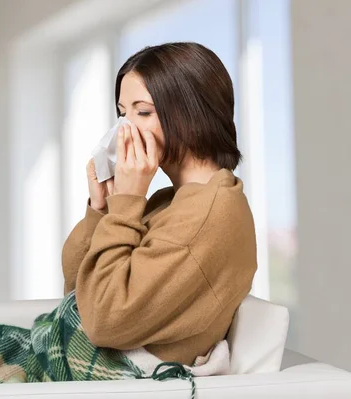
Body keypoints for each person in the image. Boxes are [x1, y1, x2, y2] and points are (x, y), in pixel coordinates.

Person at [62, 42, 257, 366]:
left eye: (143, 111)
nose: (124, 130)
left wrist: (127, 205)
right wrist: (103, 208)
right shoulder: (171, 201)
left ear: (193, 113)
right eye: (123, 113)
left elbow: (102, 319)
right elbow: (75, 291)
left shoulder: (209, 215)